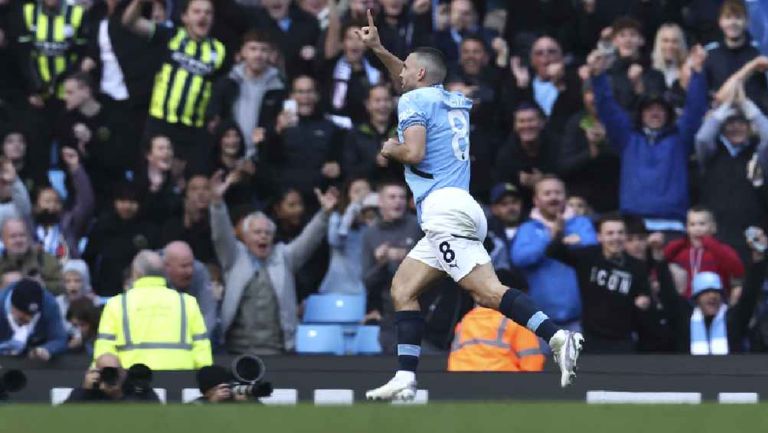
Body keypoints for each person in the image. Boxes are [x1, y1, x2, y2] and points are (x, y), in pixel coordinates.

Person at [357, 10, 583, 401]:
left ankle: (558, 337)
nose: (401, 74)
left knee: (487, 293)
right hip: (459, 206)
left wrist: (391, 148)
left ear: (420, 77)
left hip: (443, 210)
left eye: (407, 69)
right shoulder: (451, 98)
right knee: (403, 289)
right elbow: (409, 78)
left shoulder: (412, 102)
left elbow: (414, 151)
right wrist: (379, 49)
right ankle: (406, 377)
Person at [210, 171, 337, 354]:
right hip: (235, 350)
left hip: (277, 351)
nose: (263, 236)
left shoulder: (283, 257)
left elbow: (309, 240)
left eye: (267, 233)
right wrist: (216, 203)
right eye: (257, 232)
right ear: (244, 237)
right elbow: (220, 235)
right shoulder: (234, 257)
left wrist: (324, 215)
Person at [589, 44, 708, 231]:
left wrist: (698, 73)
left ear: (668, 114)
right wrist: (597, 76)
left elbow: (695, 109)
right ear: (641, 114)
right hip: (634, 225)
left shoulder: (680, 138)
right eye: (649, 109)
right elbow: (607, 109)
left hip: (673, 224)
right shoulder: (627, 138)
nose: (655, 113)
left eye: (660, 109)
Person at [122, 0, 227, 170]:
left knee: (184, 183)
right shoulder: (170, 36)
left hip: (193, 130)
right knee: (152, 177)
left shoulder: (219, 50)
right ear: (184, 17)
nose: (203, 16)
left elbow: (221, 88)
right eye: (197, 11)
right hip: (160, 123)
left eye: (208, 13)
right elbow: (130, 22)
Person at [546, 214, 651, 353]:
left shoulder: (637, 266)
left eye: (620, 233)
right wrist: (557, 233)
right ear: (599, 237)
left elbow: (645, 294)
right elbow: (553, 251)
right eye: (610, 233)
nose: (616, 237)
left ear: (625, 236)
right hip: (591, 339)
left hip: (624, 340)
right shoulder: (588, 257)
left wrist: (644, 300)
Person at [697, 57, 768, 261]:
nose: (736, 127)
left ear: (749, 126)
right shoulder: (712, 152)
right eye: (730, 123)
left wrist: (745, 105)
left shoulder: (757, 153)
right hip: (715, 235)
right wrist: (727, 105)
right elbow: (702, 138)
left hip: (749, 234)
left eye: (741, 123)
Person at [94, 250, 212, 370]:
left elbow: (104, 352)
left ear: (136, 273)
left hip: (133, 380)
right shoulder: (187, 303)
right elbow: (202, 350)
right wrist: (206, 381)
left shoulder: (116, 304)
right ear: (164, 272)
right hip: (182, 380)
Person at [659, 228, 766, 354]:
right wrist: (659, 259)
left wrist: (758, 257)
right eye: (706, 292)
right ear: (696, 298)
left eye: (716, 292)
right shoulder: (684, 320)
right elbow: (668, 293)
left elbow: (750, 294)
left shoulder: (733, 320)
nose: (712, 296)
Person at [510, 176, 598, 330]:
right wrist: (551, 239)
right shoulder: (527, 229)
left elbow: (594, 250)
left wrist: (569, 242)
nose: (553, 198)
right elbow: (519, 258)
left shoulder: (581, 223)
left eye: (558, 193)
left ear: (565, 197)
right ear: (536, 200)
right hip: (539, 322)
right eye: (547, 193)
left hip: (578, 320)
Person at [361, 181, 422, 351]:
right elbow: (366, 280)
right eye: (392, 197)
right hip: (390, 316)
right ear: (380, 202)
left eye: (402, 197)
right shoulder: (370, 234)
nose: (398, 201)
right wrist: (381, 264)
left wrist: (405, 255)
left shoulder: (417, 226)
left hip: (420, 308)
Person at [208, 30, 285, 158]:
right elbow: (216, 118)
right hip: (228, 155)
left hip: (264, 156)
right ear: (243, 52)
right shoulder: (227, 82)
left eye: (263, 50)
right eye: (253, 49)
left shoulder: (279, 87)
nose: (258, 55)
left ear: (271, 54)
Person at [663, 207, 744, 300]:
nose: (697, 229)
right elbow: (663, 259)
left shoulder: (721, 250)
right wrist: (683, 241)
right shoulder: (682, 251)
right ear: (686, 228)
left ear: (713, 228)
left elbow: (738, 270)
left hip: (716, 301)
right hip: (686, 303)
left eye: (702, 224)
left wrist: (710, 243)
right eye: (692, 225)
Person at [32, 147, 95, 261]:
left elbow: (86, 202)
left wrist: (75, 168)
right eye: (47, 201)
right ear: (36, 206)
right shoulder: (28, 227)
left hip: (67, 274)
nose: (52, 205)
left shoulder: (70, 223)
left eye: (57, 202)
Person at [447, 306, 545, 372]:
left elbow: (454, 358)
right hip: (504, 384)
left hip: (461, 383)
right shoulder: (517, 320)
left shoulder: (466, 320)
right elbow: (531, 363)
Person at [319, 177, 372, 295]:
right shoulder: (337, 217)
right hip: (338, 287)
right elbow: (335, 241)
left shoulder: (375, 222)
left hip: (364, 287)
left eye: (365, 191)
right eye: (357, 192)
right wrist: (349, 215)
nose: (362, 196)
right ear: (348, 196)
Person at [0, 278, 68, 360]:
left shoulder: (49, 305)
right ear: (12, 307)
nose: (29, 319)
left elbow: (59, 339)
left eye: (32, 315)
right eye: (24, 316)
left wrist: (46, 349)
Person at [163, 241, 218, 338]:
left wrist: (196, 341)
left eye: (191, 264)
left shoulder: (199, 271)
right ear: (167, 267)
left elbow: (208, 314)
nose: (190, 271)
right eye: (184, 266)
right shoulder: (151, 272)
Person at [0, 218, 63, 295]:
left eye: (22, 235)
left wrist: (42, 285)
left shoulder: (44, 258)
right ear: (3, 240)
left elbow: (63, 285)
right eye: (13, 236)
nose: (19, 240)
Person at [65, 353, 161, 402]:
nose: (110, 375)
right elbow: (64, 419)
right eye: (105, 371)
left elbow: (155, 418)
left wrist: (118, 396)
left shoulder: (139, 389)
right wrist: (85, 392)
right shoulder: (88, 391)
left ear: (123, 372)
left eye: (115, 371)